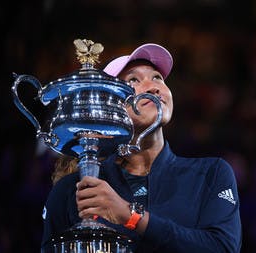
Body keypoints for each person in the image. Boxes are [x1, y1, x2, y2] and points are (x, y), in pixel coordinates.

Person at [41, 43, 242, 252]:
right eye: (134, 80)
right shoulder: (73, 191)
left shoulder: (211, 174)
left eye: (157, 77)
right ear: (109, 107)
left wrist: (131, 217)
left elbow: (224, 248)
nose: (154, 87)